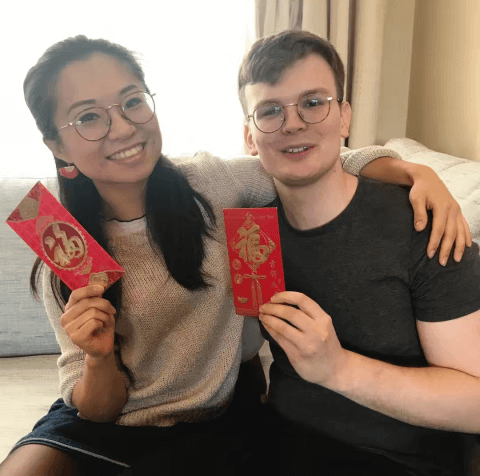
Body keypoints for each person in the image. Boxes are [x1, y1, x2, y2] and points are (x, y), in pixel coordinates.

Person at [0, 35, 471, 476]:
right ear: (57, 147)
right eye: (88, 117)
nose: (122, 127)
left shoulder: (213, 184)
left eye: (132, 101)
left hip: (215, 418)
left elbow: (303, 158)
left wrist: (414, 170)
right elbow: (96, 408)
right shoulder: (64, 253)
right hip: (104, 421)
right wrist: (99, 357)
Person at [239, 29, 480, 475]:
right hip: (278, 438)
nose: (293, 123)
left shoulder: (425, 224)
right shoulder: (251, 233)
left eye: (313, 103)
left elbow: (475, 404)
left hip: (394, 459)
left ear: (344, 117)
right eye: (270, 111)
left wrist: (338, 369)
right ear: (250, 138)